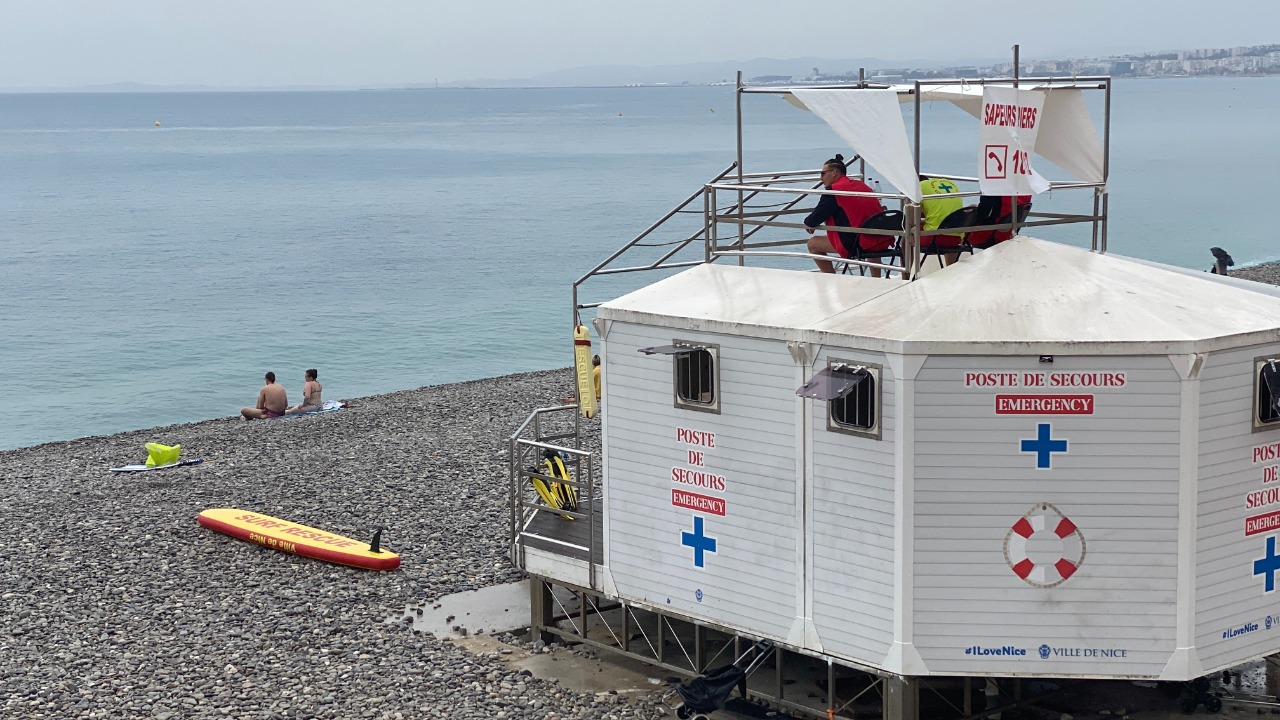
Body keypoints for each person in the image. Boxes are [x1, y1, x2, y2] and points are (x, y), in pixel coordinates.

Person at [804, 154, 885, 275]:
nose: (821, 178)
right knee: (869, 236)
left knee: (813, 244)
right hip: (880, 239)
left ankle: (832, 278)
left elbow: (812, 220)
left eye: (822, 174)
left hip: (856, 244)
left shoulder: (834, 191)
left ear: (834, 172)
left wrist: (809, 224)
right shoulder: (862, 185)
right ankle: (877, 279)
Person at [918, 175, 965, 266]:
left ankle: (906, 276)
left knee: (907, 235)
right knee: (948, 228)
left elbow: (913, 220)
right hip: (957, 239)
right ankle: (950, 268)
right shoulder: (950, 183)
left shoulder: (918, 188)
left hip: (934, 240)